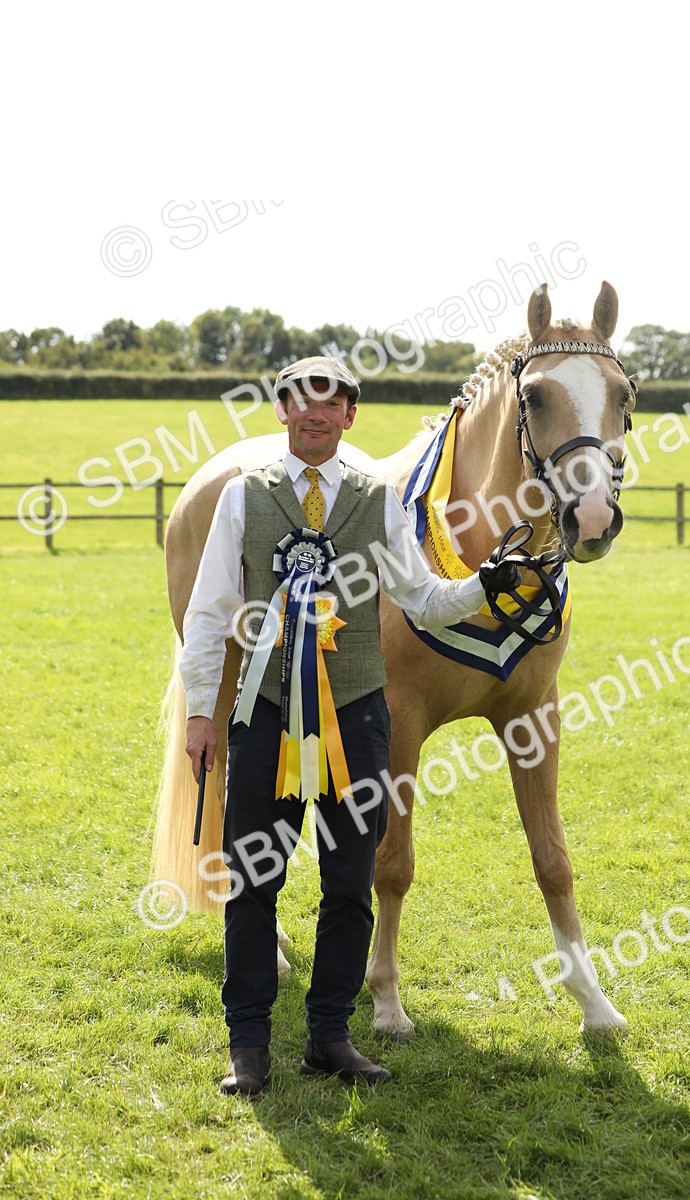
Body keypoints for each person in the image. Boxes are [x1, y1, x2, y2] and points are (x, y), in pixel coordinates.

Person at [180, 355, 517, 1096]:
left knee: (348, 885)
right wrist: (202, 713)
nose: (315, 415)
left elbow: (423, 600)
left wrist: (483, 587)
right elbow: (208, 614)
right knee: (253, 881)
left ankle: (329, 1036)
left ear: (349, 417)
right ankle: (249, 1045)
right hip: (266, 714)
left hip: (359, 716)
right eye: (302, 402)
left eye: (331, 405)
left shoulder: (378, 501)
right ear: (280, 411)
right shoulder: (243, 499)